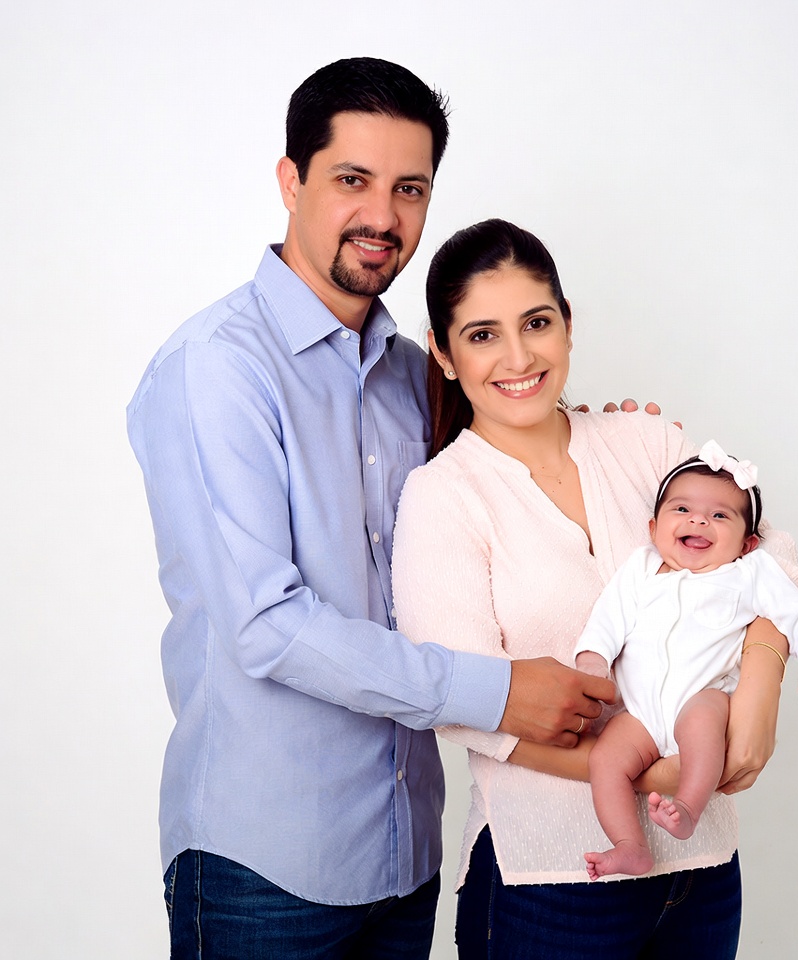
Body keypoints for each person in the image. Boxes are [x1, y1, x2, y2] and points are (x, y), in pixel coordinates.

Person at [126, 60, 614, 959]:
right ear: (291, 180)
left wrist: (621, 440)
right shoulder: (216, 371)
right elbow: (268, 627)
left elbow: (507, 490)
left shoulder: (411, 374)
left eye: (410, 188)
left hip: (406, 855)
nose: (384, 217)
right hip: (260, 866)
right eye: (353, 180)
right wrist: (501, 693)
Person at [392, 218, 798, 959]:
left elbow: (768, 553)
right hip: (549, 879)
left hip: (703, 871)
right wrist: (655, 772)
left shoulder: (645, 444)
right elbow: (461, 704)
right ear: (444, 353)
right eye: (483, 334)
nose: (519, 357)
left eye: (537, 323)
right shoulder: (442, 496)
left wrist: (761, 693)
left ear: (569, 326)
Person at [573, 443, 798, 880]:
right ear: (654, 526)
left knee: (702, 724)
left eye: (720, 516)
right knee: (606, 760)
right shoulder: (640, 568)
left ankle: (689, 807)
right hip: (638, 711)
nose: (698, 520)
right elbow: (607, 619)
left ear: (747, 543)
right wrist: (592, 660)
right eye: (682, 509)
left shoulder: (749, 573)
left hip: (704, 695)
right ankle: (629, 845)